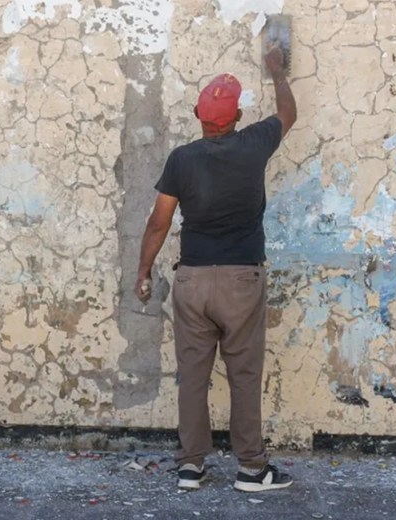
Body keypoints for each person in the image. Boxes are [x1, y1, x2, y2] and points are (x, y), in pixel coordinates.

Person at [134, 46, 297, 493]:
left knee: (193, 376)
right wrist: (277, 71)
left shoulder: (182, 160)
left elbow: (159, 221)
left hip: (192, 280)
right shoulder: (254, 144)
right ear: (238, 116)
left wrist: (144, 272)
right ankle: (251, 469)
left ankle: (190, 466)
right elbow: (287, 112)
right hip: (242, 280)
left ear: (198, 114)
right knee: (243, 373)